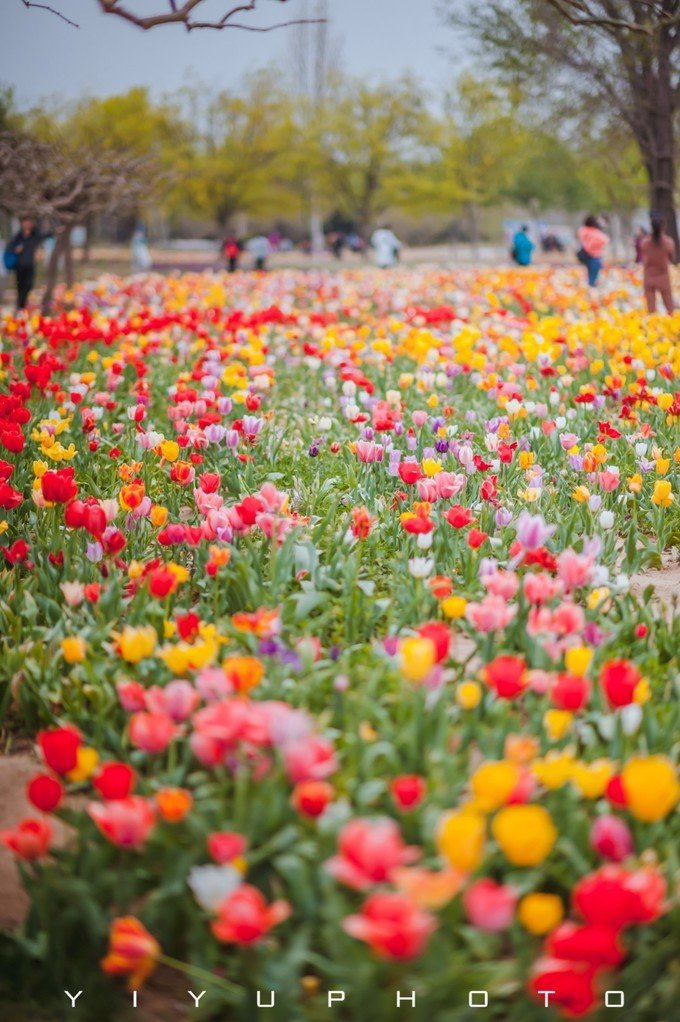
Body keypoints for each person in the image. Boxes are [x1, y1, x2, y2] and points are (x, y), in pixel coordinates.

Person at [5, 216, 52, 311]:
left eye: (29, 222)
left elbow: (47, 235)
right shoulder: (18, 236)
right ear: (22, 224)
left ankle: (22, 304)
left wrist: (55, 227)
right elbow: (9, 247)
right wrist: (16, 250)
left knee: (29, 285)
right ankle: (20, 305)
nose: (27, 224)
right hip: (19, 266)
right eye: (25, 222)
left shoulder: (35, 235)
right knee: (20, 286)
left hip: (30, 264)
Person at [640, 212, 675, 314]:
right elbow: (672, 258)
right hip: (663, 276)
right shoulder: (668, 242)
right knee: (670, 308)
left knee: (651, 309)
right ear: (663, 226)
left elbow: (644, 256)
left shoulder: (645, 243)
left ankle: (653, 323)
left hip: (649, 276)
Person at [577, 215, 609, 287]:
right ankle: (591, 286)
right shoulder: (595, 232)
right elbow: (605, 240)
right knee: (594, 274)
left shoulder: (582, 230)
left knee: (589, 272)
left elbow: (581, 240)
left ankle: (589, 285)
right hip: (595, 256)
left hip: (585, 255)